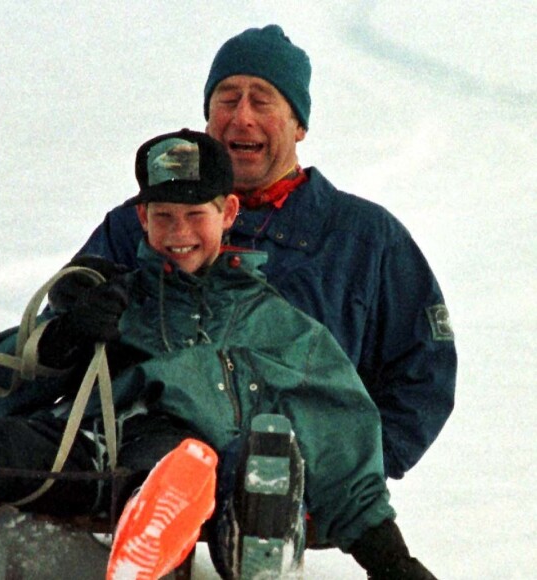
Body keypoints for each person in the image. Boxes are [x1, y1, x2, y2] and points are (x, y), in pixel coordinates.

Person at [0, 130, 437, 579]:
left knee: (181, 461)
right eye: (163, 216)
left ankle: (155, 540)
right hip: (87, 446)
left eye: (195, 215)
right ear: (143, 218)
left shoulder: (279, 326)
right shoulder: (119, 297)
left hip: (188, 467)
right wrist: (68, 332)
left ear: (228, 212)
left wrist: (390, 560)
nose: (178, 232)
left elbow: (339, 442)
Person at [65, 25, 457, 481]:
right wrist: (77, 315)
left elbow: (423, 371)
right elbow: (52, 337)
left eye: (263, 100)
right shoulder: (138, 222)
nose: (242, 117)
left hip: (283, 484)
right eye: (227, 99)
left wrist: (353, 473)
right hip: (138, 464)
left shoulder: (366, 238)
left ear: (300, 124)